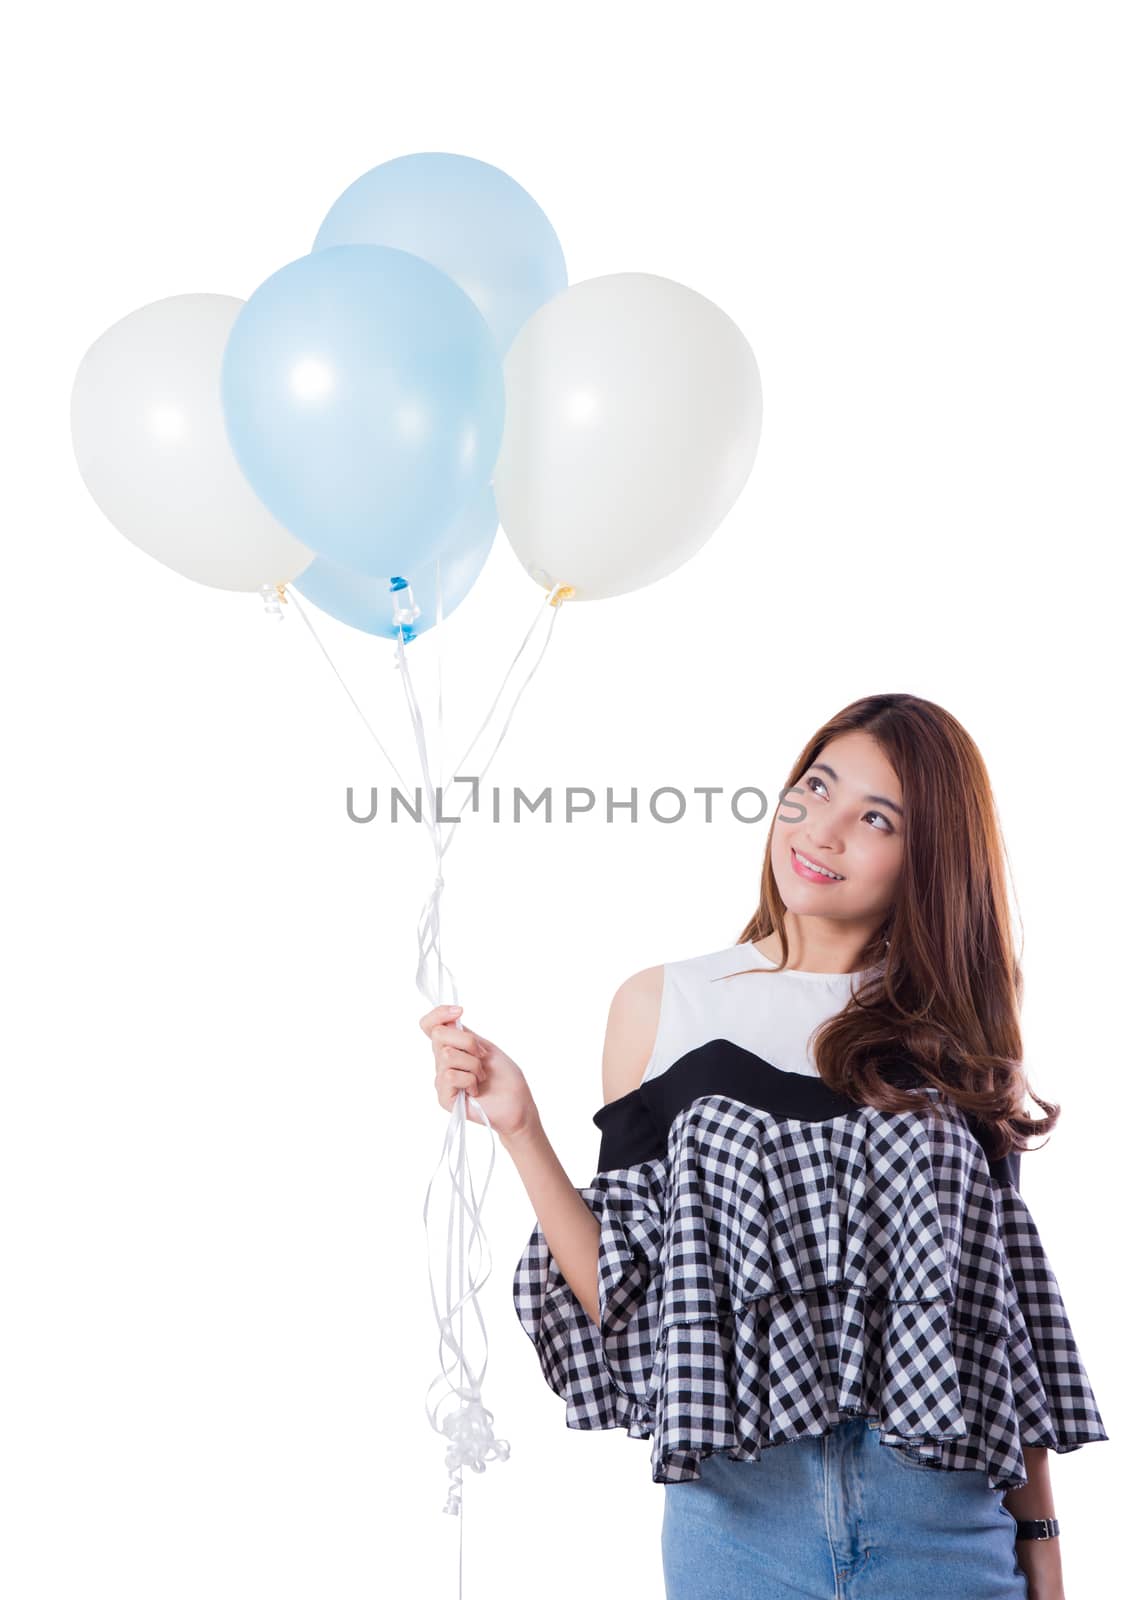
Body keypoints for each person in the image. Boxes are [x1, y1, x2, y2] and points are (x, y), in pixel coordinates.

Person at [419, 693, 1108, 1599]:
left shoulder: (959, 1043)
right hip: (737, 1529)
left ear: (926, 856)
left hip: (938, 1528)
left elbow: (994, 1325)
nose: (821, 831)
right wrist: (520, 1126)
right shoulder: (663, 1002)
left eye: (874, 818)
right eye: (813, 789)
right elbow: (621, 1290)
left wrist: (1045, 1559)